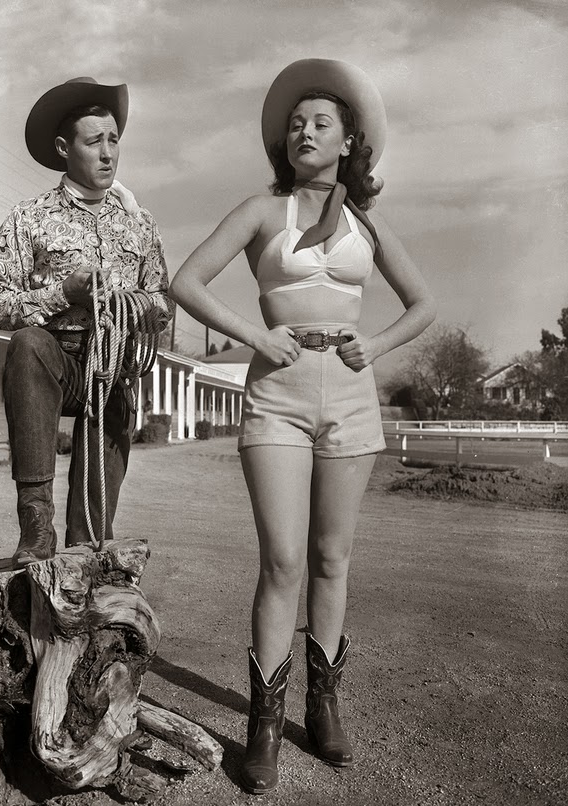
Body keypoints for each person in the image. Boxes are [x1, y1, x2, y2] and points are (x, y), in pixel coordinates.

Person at [170, 58, 436, 793]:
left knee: (331, 559)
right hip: (277, 397)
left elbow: (422, 306)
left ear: (350, 140)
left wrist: (374, 347)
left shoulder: (366, 225)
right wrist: (254, 338)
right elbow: (185, 281)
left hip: (350, 397)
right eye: (294, 124)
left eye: (320, 123)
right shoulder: (262, 210)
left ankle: (323, 708)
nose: (303, 132)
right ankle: (261, 726)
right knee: (282, 561)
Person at [0, 77, 173, 569]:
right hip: (55, 361)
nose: (109, 154)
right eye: (95, 142)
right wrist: (62, 293)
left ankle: (86, 548)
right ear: (65, 149)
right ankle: (36, 528)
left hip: (112, 368)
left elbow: (161, 299)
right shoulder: (29, 218)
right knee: (27, 345)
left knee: (92, 539)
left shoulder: (140, 223)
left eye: (114, 140)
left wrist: (141, 308)